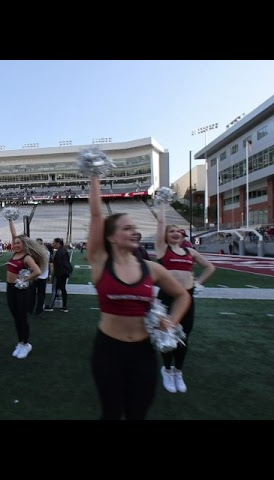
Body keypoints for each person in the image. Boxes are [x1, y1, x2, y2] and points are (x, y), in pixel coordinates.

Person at [88, 174, 191, 420]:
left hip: (143, 353)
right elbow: (96, 216)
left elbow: (182, 296)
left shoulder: (151, 268)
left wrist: (172, 322)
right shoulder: (101, 262)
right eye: (127, 228)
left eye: (135, 228)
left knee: (138, 413)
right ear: (111, 236)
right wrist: (94, 176)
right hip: (108, 351)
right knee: (110, 414)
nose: (134, 232)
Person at [155, 203, 215, 394]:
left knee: (184, 336)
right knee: (167, 335)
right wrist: (163, 204)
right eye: (171, 231)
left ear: (183, 235)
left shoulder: (191, 252)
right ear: (165, 236)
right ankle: (166, 369)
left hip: (187, 298)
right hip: (167, 297)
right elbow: (161, 222)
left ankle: (178, 372)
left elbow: (210, 267)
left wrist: (199, 282)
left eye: (178, 231)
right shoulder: (163, 250)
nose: (175, 233)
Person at [7, 217, 47, 359]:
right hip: (10, 289)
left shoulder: (27, 257)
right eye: (15, 243)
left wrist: (24, 279)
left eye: (19, 243)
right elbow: (13, 234)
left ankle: (26, 344)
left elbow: (37, 271)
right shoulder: (15, 253)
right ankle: (20, 342)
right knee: (16, 317)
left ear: (24, 245)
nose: (16, 244)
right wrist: (10, 220)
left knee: (22, 318)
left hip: (21, 290)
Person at [45, 238, 73, 312]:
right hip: (65, 272)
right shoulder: (63, 250)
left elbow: (58, 265)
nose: (53, 244)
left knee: (54, 288)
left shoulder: (59, 252)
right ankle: (64, 306)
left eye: (54, 243)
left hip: (60, 273)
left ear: (58, 243)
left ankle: (50, 306)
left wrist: (55, 275)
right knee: (62, 289)